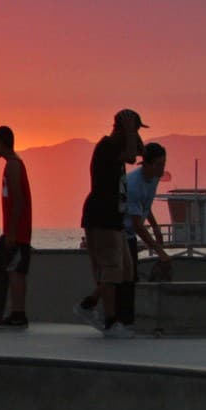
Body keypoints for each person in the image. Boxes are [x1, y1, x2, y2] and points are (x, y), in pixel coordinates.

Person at [76, 109, 147, 336]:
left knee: (125, 271)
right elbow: (130, 156)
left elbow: (140, 151)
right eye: (133, 130)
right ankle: (110, 321)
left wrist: (131, 131)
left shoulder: (120, 145)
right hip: (102, 215)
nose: (134, 134)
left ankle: (88, 305)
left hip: (114, 216)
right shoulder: (107, 146)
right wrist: (127, 130)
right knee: (110, 269)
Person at [121, 141, 173, 335]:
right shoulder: (133, 184)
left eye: (163, 164)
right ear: (147, 164)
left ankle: (127, 321)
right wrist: (159, 250)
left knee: (131, 277)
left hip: (131, 232)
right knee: (126, 278)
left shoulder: (154, 178)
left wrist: (156, 227)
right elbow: (135, 223)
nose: (162, 168)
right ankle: (122, 321)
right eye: (159, 164)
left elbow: (146, 204)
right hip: (121, 232)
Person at [0, 125, 32, 329]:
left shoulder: (13, 165)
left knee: (16, 272)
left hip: (18, 232)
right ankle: (16, 312)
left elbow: (18, 200)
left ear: (2, 143)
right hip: (16, 230)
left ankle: (19, 313)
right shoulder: (13, 164)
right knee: (14, 271)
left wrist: (12, 232)